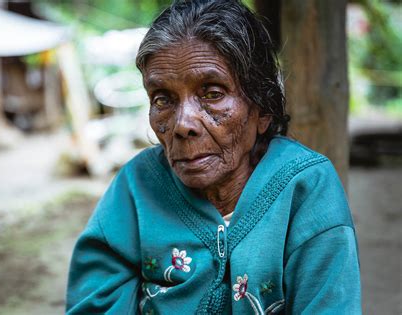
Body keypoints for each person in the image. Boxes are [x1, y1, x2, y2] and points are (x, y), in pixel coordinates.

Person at [66, 0, 362, 314]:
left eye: (212, 93)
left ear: (262, 109)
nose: (183, 124)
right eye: (163, 99)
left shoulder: (306, 188)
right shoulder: (137, 187)